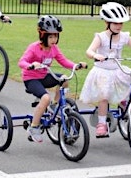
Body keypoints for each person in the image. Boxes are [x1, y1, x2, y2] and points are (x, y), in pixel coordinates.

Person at [80, 2, 131, 138]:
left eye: (121, 23)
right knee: (104, 96)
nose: (119, 26)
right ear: (107, 22)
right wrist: (96, 55)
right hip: (102, 71)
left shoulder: (124, 36)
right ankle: (102, 124)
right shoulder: (101, 37)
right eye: (115, 23)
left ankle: (123, 101)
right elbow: (89, 51)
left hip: (117, 69)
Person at [18, 15, 87, 143]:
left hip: (44, 76)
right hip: (31, 79)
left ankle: (55, 106)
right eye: (50, 36)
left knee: (64, 79)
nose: (54, 39)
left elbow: (63, 60)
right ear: (42, 35)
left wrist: (75, 65)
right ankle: (34, 127)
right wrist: (31, 65)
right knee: (45, 98)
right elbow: (21, 62)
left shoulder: (54, 48)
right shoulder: (34, 47)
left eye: (56, 36)